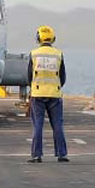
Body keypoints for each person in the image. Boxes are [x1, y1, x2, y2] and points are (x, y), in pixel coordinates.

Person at [27, 25, 68, 163]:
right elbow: (63, 77)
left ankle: (36, 155)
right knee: (57, 124)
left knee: (38, 124)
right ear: (53, 38)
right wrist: (55, 86)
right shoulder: (58, 54)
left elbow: (29, 76)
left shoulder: (34, 54)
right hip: (54, 94)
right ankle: (61, 154)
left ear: (38, 38)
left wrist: (33, 89)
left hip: (37, 93)